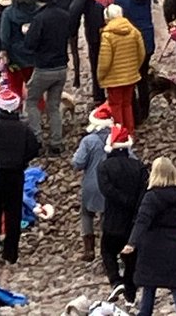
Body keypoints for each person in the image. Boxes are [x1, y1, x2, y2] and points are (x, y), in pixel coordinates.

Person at [121, 157, 176, 316]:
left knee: (149, 286)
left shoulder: (151, 197)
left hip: (153, 248)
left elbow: (142, 220)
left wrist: (131, 243)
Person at [0, 81, 40, 264]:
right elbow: (34, 149)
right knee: (14, 213)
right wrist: (22, 161)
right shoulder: (24, 128)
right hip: (16, 174)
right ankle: (11, 252)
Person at [24, 0, 78, 153]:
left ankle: (37, 139)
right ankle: (56, 142)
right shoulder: (64, 15)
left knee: (32, 101)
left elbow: (30, 44)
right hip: (61, 67)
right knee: (53, 106)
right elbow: (71, 33)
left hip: (44, 68)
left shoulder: (39, 18)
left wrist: (26, 32)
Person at [97, 125, 148, 304]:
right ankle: (130, 294)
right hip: (133, 220)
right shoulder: (139, 166)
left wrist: (123, 200)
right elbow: (144, 191)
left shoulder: (104, 167)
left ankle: (115, 280)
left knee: (107, 250)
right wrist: (134, 204)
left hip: (113, 219)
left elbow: (106, 190)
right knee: (131, 258)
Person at [112, 0, 156, 123]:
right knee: (142, 77)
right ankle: (145, 111)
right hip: (148, 40)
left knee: (130, 78)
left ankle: (134, 114)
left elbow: (116, 2)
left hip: (132, 43)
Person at [73, 104, 114, 262]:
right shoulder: (116, 137)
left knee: (86, 213)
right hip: (111, 185)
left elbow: (78, 163)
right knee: (108, 216)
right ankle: (108, 249)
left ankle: (89, 249)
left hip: (91, 183)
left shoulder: (88, 141)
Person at [98, 3, 146, 134]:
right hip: (130, 76)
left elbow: (105, 60)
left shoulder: (107, 35)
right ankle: (129, 132)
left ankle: (119, 134)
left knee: (115, 106)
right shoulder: (134, 31)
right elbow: (141, 53)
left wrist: (100, 76)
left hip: (114, 79)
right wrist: (134, 68)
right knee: (127, 104)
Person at [0, 0, 37, 101]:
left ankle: (15, 114)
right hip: (35, 56)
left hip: (15, 58)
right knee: (36, 91)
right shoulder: (39, 11)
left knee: (14, 89)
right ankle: (39, 115)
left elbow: (4, 37)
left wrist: (3, 53)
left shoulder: (8, 13)